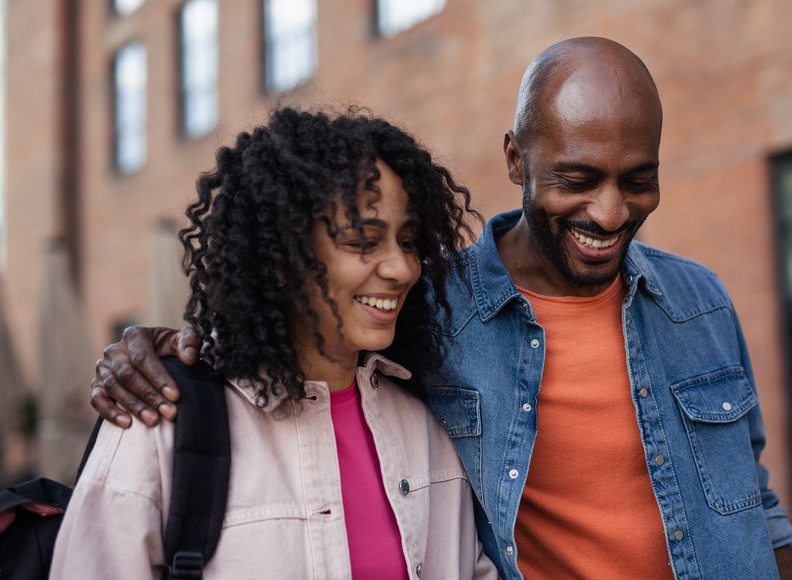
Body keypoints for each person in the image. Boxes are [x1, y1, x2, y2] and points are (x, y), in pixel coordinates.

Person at [90, 38, 792, 579]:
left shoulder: (701, 301)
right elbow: (303, 321)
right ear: (516, 160)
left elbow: (756, 506)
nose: (612, 211)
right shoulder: (429, 310)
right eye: (578, 179)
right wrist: (172, 346)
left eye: (639, 180)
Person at [54, 108, 499, 579]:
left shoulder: (428, 427)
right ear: (283, 259)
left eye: (407, 241)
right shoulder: (159, 424)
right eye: (363, 242)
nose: (402, 268)